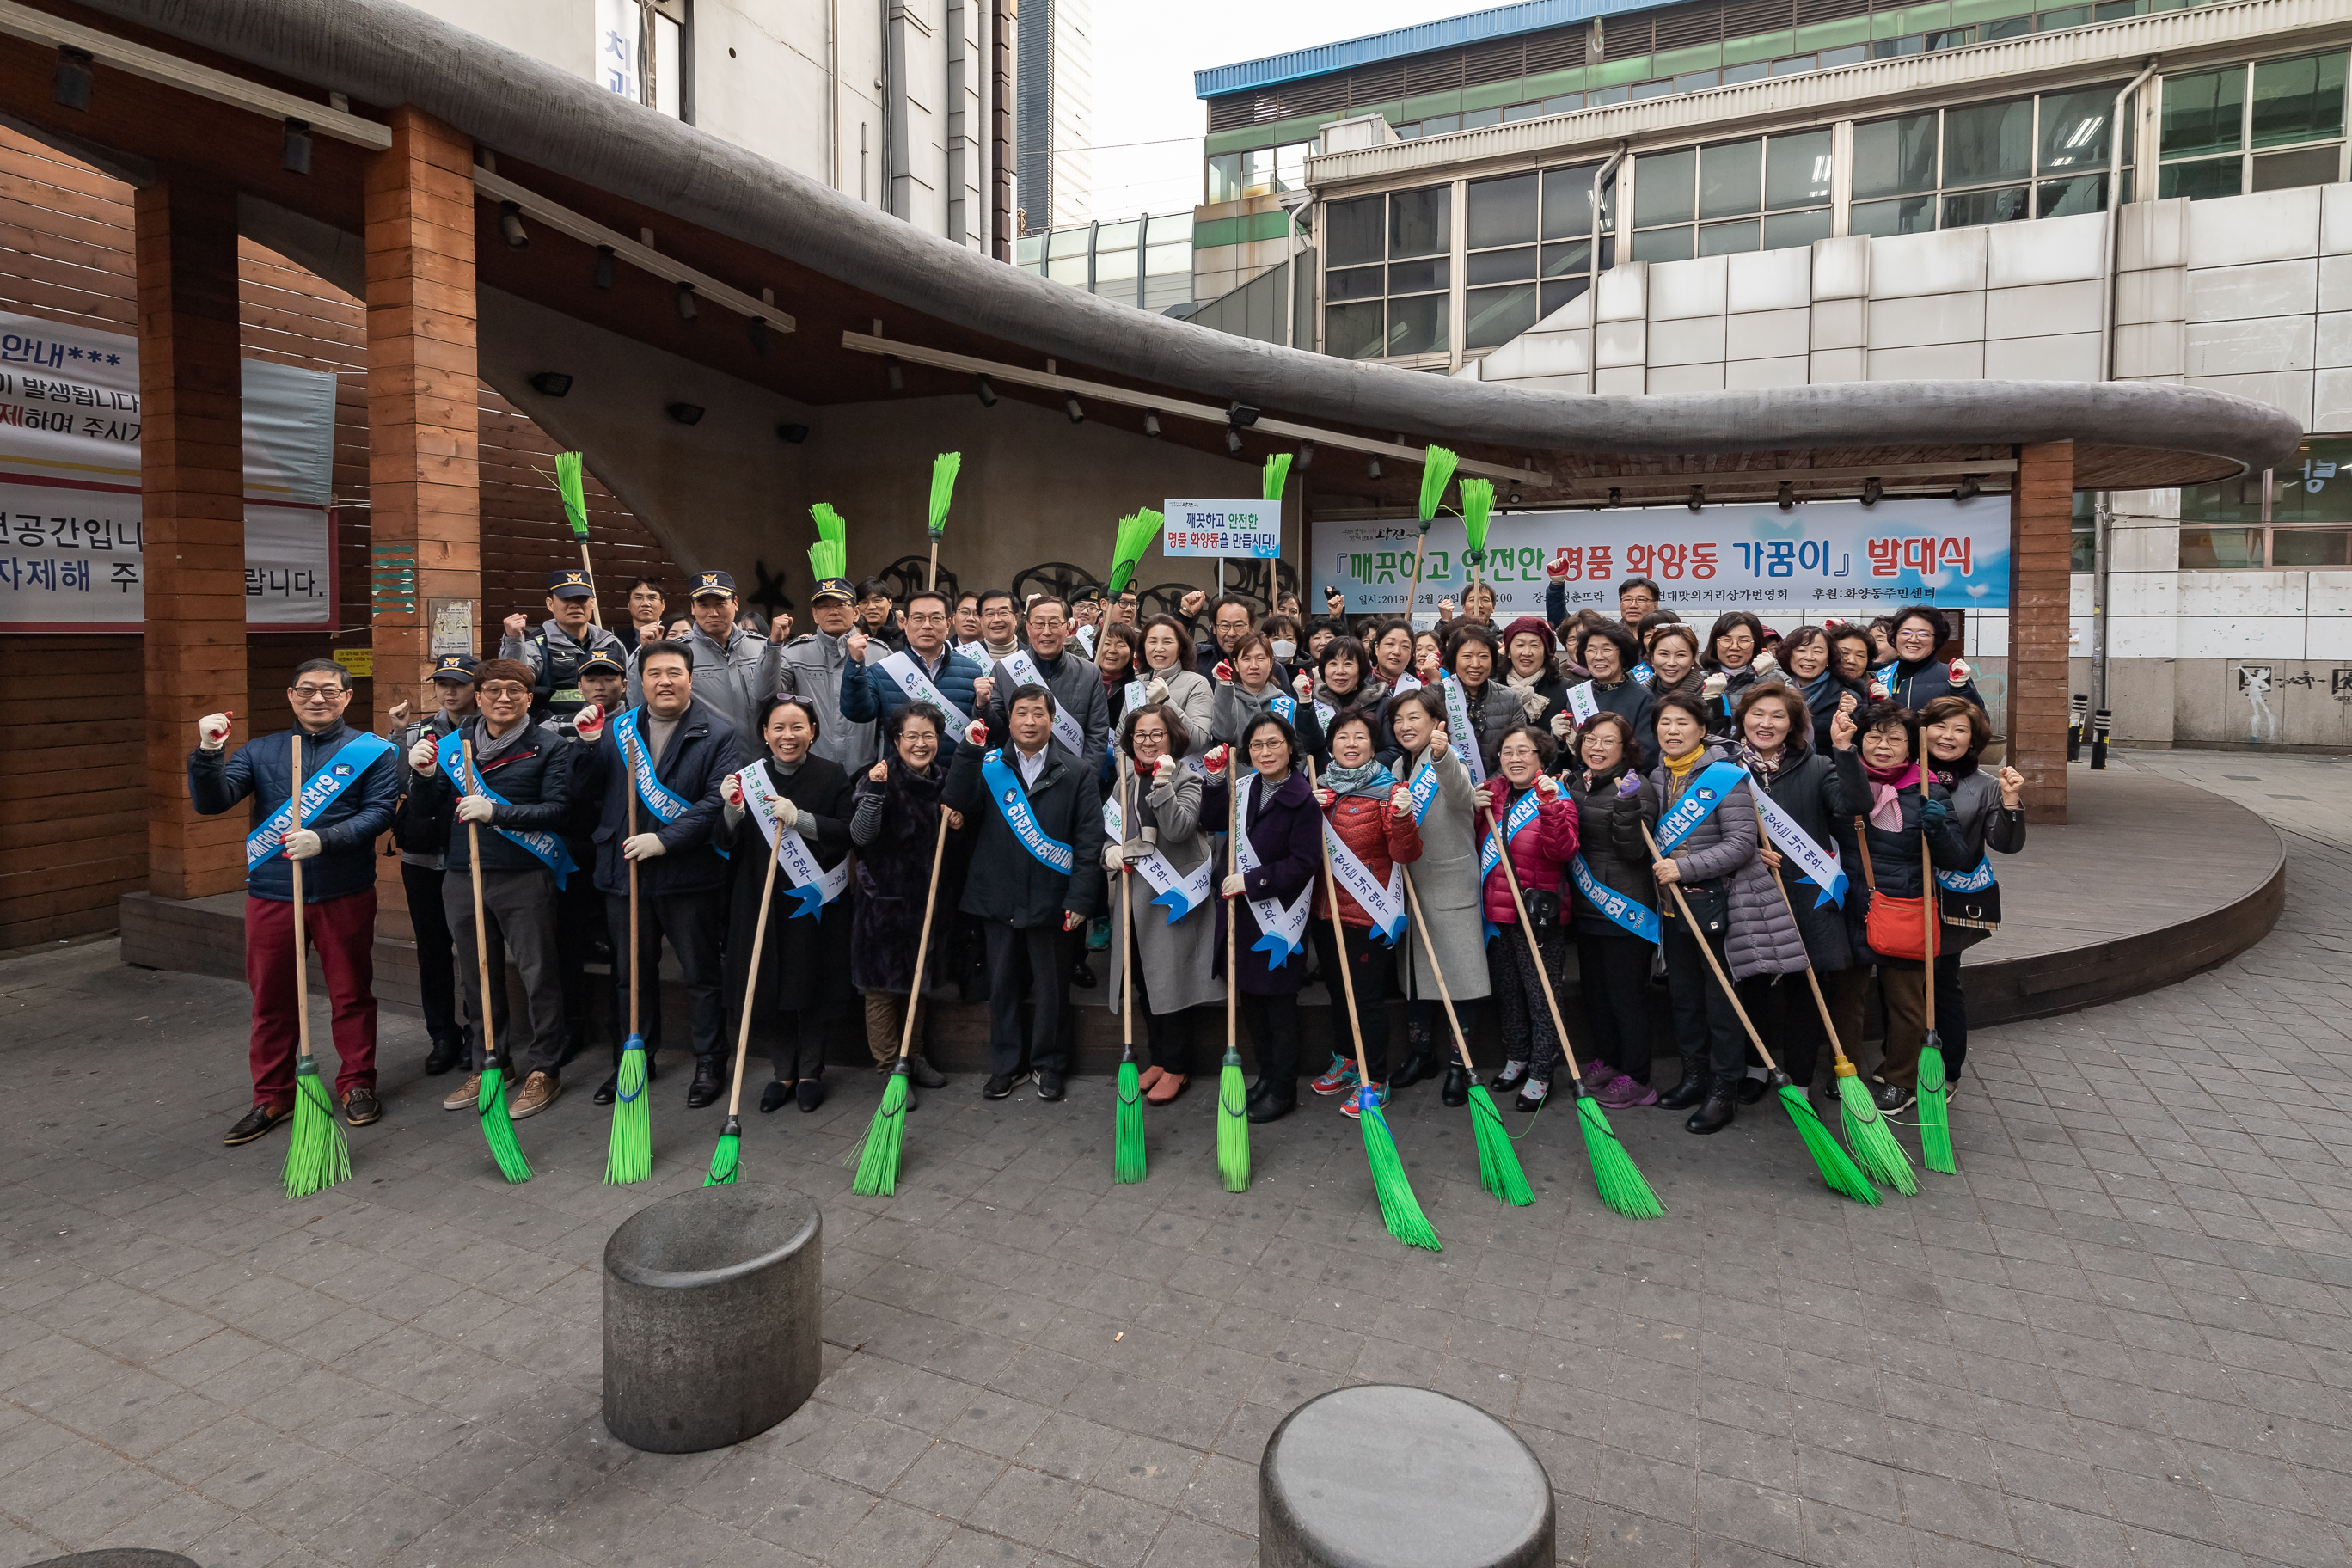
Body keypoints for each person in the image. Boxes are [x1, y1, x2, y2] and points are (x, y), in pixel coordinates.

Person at [190, 661, 400, 1143]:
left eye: (329, 691)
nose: (317, 699)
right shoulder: (260, 751)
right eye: (307, 690)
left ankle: (357, 1082)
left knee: (350, 993)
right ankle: (273, 1095)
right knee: (271, 1000)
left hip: (342, 890)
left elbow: (379, 814)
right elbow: (212, 801)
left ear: (347, 697)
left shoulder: (372, 752)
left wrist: (325, 839)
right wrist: (208, 753)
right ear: (290, 695)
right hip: (273, 894)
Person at [401, 658, 579, 1121]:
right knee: (478, 973)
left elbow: (560, 811)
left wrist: (498, 813)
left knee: (539, 972)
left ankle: (546, 1067)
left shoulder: (550, 747)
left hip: (523, 873)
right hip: (462, 874)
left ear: (529, 698)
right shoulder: (451, 745)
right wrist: (420, 778)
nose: (504, 698)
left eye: (515, 691)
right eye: (494, 690)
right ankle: (491, 1061)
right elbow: (426, 813)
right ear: (477, 697)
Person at [572, 640, 741, 1106]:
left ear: (690, 677)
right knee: (630, 974)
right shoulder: (613, 729)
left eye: (674, 672)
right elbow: (581, 792)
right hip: (623, 870)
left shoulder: (718, 733)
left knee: (701, 973)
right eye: (654, 674)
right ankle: (634, 1060)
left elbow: (714, 801)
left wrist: (666, 839)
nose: (665, 682)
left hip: (689, 874)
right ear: (639, 682)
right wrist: (586, 747)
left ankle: (710, 1061)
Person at [1646, 690, 1798, 1136]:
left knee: (1722, 1002)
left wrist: (1683, 865)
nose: (1672, 731)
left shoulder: (1725, 777)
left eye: (1682, 723)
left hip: (1721, 904)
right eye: (1665, 723)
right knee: (1685, 998)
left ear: (1701, 729)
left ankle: (1722, 1088)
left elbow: (1739, 844)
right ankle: (1692, 1077)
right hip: (1674, 909)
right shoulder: (1656, 776)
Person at [946, 683, 1106, 1100]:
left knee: (1053, 989)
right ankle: (1006, 1065)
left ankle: (1048, 1065)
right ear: (1009, 720)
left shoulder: (1078, 773)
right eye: (1021, 713)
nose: (1030, 721)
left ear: (1052, 720)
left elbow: (1089, 841)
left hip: (1053, 899)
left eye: (1038, 713)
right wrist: (968, 751)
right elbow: (957, 799)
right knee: (1003, 985)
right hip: (997, 896)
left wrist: (1080, 899)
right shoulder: (990, 765)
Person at [1832, 699, 1975, 1110]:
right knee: (1846, 997)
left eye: (1894, 738)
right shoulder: (1841, 776)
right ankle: (1847, 1071)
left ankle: (1900, 1076)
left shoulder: (1929, 789)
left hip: (1904, 905)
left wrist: (1940, 830)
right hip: (1849, 904)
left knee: (1907, 1002)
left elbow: (1956, 859)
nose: (1882, 745)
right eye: (1874, 736)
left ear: (1911, 747)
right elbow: (1843, 811)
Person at [714, 695, 854, 1112]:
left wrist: (803, 821)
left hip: (814, 900)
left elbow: (848, 832)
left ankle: (811, 1070)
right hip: (759, 898)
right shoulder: (746, 780)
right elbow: (724, 844)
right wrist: (732, 810)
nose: (787, 736)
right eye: (778, 727)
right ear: (764, 733)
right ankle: (783, 1072)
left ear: (813, 732)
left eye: (797, 727)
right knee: (768, 983)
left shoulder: (832, 776)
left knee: (812, 980)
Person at [1732, 684, 1864, 1103]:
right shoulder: (1723, 768)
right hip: (1750, 891)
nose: (1765, 724)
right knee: (1752, 983)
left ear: (1793, 725)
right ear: (1742, 719)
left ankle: (1800, 1078)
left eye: (1777, 716)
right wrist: (1748, 851)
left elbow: (1854, 802)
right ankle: (1756, 1069)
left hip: (1808, 893)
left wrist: (1845, 750)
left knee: (1805, 990)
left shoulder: (1818, 765)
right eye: (1757, 714)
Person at [1301, 706, 1423, 1112]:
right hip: (1324, 910)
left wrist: (1403, 816)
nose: (1350, 745)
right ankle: (1347, 1061)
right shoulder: (1318, 787)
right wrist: (1307, 812)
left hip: (1368, 915)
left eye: (1360, 738)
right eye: (1342, 737)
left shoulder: (1389, 791)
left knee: (1366, 998)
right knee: (1337, 991)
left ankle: (1377, 1076)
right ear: (1330, 744)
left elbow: (1406, 852)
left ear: (1373, 746)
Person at [1101, 704, 1223, 1103]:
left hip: (1172, 897)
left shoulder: (1188, 777)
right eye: (1140, 735)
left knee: (1171, 981)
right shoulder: (1123, 779)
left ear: (1172, 738)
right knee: (1142, 980)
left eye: (1157, 735)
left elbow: (1179, 827)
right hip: (1133, 897)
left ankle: (1177, 1066)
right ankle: (1157, 1058)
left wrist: (1163, 786)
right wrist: (1109, 853)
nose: (1148, 742)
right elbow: (1111, 830)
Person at [1208, 714, 1322, 1122]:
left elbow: (1305, 863)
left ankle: (1283, 1087)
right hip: (1239, 915)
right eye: (1256, 745)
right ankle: (1266, 1075)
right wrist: (1213, 779)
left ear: (1290, 747)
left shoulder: (1303, 799)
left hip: (1278, 919)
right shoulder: (1243, 789)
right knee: (1252, 1004)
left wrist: (1252, 882)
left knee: (1279, 1009)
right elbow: (1211, 816)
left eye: (1273, 743)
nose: (1265, 752)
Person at [849, 703, 964, 1099]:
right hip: (883, 900)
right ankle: (887, 1068)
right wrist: (876, 794)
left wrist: (957, 821)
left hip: (928, 901)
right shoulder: (878, 777)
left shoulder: (944, 781)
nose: (920, 744)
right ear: (896, 740)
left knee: (919, 982)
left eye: (928, 735)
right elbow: (861, 836)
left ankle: (913, 1057)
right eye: (911, 736)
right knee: (882, 988)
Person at [1385, 686, 1490, 1099]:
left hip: (1449, 887)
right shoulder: (1396, 766)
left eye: (1415, 718)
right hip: (1410, 888)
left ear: (1435, 723)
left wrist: (1444, 756)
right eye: (1399, 719)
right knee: (1415, 979)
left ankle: (1458, 1063)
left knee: (1458, 980)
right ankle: (1420, 1053)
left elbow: (1463, 795)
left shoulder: (1448, 760)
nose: (1406, 726)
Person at [1918, 694, 2027, 1087]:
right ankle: (1902, 1060)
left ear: (1973, 740)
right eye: (1940, 726)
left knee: (1944, 982)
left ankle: (1947, 1071)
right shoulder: (1900, 772)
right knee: (1902, 981)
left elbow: (2006, 843)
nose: (1947, 737)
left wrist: (2011, 801)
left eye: (1959, 730)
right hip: (1901, 894)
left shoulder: (1984, 786)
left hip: (1950, 899)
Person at [1478, 726, 1579, 1112]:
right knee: (1509, 991)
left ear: (1541, 756)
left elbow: (1564, 850)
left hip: (1539, 915)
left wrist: (1552, 808)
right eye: (1507, 751)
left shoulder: (1554, 795)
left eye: (1524, 751)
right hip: (1498, 913)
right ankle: (1517, 1055)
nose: (1515, 758)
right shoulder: (1494, 796)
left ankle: (1542, 1070)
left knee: (1542, 997)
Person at [1565, 712, 1660, 1108]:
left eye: (1607, 741)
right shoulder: (1576, 783)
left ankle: (1639, 1078)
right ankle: (1609, 1060)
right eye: (1590, 739)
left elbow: (1633, 850)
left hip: (1624, 908)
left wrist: (1626, 806)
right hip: (1587, 909)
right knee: (1597, 995)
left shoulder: (1637, 787)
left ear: (1626, 749)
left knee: (1626, 998)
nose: (1596, 747)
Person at [389, 655, 477, 1076]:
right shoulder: (413, 732)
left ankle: (478, 1033)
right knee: (433, 950)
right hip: (422, 857)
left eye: (459, 683)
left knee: (477, 949)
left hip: (470, 856)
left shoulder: (487, 729)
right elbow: (394, 783)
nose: (450, 691)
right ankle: (443, 1034)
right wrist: (397, 741)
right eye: (443, 683)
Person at [839, 585, 987, 768]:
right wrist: (855, 664)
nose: (927, 625)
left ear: (949, 623)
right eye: (918, 618)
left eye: (936, 618)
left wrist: (983, 706)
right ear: (906, 624)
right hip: (901, 781)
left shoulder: (972, 670)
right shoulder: (884, 670)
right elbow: (857, 712)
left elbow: (984, 728)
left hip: (955, 779)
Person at [628, 569, 788, 738]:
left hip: (759, 754)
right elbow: (641, 703)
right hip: (708, 756)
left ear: (735, 603)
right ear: (693, 608)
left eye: (720, 603)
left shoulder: (761, 646)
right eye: (703, 605)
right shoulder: (677, 653)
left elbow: (779, 696)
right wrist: (646, 654)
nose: (713, 613)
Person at [985, 595, 1112, 778]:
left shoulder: (1089, 673)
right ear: (1028, 628)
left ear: (1068, 628)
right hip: (1016, 779)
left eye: (1054, 624)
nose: (1046, 632)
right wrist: (982, 706)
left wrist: (1083, 780)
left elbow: (1097, 734)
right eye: (1039, 624)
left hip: (1071, 779)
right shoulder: (1004, 670)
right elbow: (994, 730)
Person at [777, 574, 879, 771]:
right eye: (824, 606)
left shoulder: (880, 653)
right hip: (813, 766)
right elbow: (764, 694)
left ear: (856, 612)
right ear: (815, 615)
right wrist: (774, 647)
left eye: (841, 605)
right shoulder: (795, 653)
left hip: (866, 768)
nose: (832, 611)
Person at [501, 568, 628, 721]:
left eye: (581, 599)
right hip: (552, 738)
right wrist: (513, 642)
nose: (574, 605)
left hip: (609, 733)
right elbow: (513, 683)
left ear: (592, 603)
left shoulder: (612, 643)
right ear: (550, 604)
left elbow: (632, 692)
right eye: (566, 599)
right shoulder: (536, 647)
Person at [1559, 622, 1657, 769]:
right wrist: (1559, 736)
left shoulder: (1642, 698)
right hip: (1581, 785)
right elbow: (1568, 756)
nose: (1598, 657)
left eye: (1606, 649)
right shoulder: (1577, 695)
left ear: (1623, 653)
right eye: (1591, 650)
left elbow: (1647, 755)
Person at [1211, 630, 1325, 758]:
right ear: (1236, 664)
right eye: (1246, 659)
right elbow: (1223, 734)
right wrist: (1223, 686)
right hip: (1237, 777)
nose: (1253, 666)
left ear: (1271, 663)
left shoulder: (1287, 704)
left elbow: (1302, 748)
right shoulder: (1225, 700)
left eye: (1260, 658)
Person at [1696, 610, 1791, 743]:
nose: (1734, 647)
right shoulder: (1698, 680)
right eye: (1726, 640)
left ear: (1756, 644)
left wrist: (1769, 676)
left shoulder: (1777, 676)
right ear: (1714, 643)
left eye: (1744, 640)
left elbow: (1800, 723)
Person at [1437, 622, 1514, 780]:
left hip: (1498, 793)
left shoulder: (1510, 699)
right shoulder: (1437, 697)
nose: (1476, 664)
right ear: (1453, 658)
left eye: (1484, 656)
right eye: (1467, 656)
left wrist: (1490, 789)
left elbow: (1518, 750)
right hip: (1449, 788)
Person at [1877, 603, 1986, 712]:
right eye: (1906, 632)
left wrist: (1962, 688)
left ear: (1936, 642)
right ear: (1894, 638)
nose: (1913, 639)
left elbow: (1980, 723)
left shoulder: (1953, 678)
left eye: (1923, 634)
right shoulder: (1880, 676)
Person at [1133, 612, 1214, 744]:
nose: (1159, 648)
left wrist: (1166, 701)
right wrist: (1131, 766)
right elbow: (1121, 741)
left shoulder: (1197, 684)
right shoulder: (1136, 684)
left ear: (1180, 648)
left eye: (1167, 642)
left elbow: (1199, 740)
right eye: (1153, 641)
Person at [1496, 616, 1566, 728]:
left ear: (1546, 652)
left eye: (1535, 645)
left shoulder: (1565, 690)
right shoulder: (1493, 689)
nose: (1527, 652)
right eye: (1520, 645)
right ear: (1508, 652)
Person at [1095, 620, 1142, 741]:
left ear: (1132, 652)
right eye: (1106, 643)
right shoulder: (1079, 677)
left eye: (1120, 645)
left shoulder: (1137, 688)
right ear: (1096, 647)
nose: (1112, 650)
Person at [1644, 622, 1703, 707]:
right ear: (1652, 658)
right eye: (1664, 654)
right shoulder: (1639, 695)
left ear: (1693, 659)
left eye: (1681, 655)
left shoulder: (1708, 694)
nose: (1671, 663)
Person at [1194, 593, 1255, 675]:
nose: (1231, 633)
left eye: (1239, 626)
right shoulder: (1198, 659)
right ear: (1214, 628)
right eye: (1225, 626)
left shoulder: (1266, 665)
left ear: (1252, 627)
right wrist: (1185, 616)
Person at [854, 577, 904, 652]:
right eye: (864, 602)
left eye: (877, 601)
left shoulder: (903, 630)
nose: (871, 607)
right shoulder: (850, 632)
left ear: (890, 603)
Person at [620, 576, 666, 654]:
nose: (645, 603)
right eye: (638, 598)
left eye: (652, 598)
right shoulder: (617, 641)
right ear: (629, 605)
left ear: (663, 604)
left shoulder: (672, 635)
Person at [1828, 622, 1877, 691]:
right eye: (1844, 653)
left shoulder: (1878, 691)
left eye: (1860, 656)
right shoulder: (1814, 688)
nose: (1852, 661)